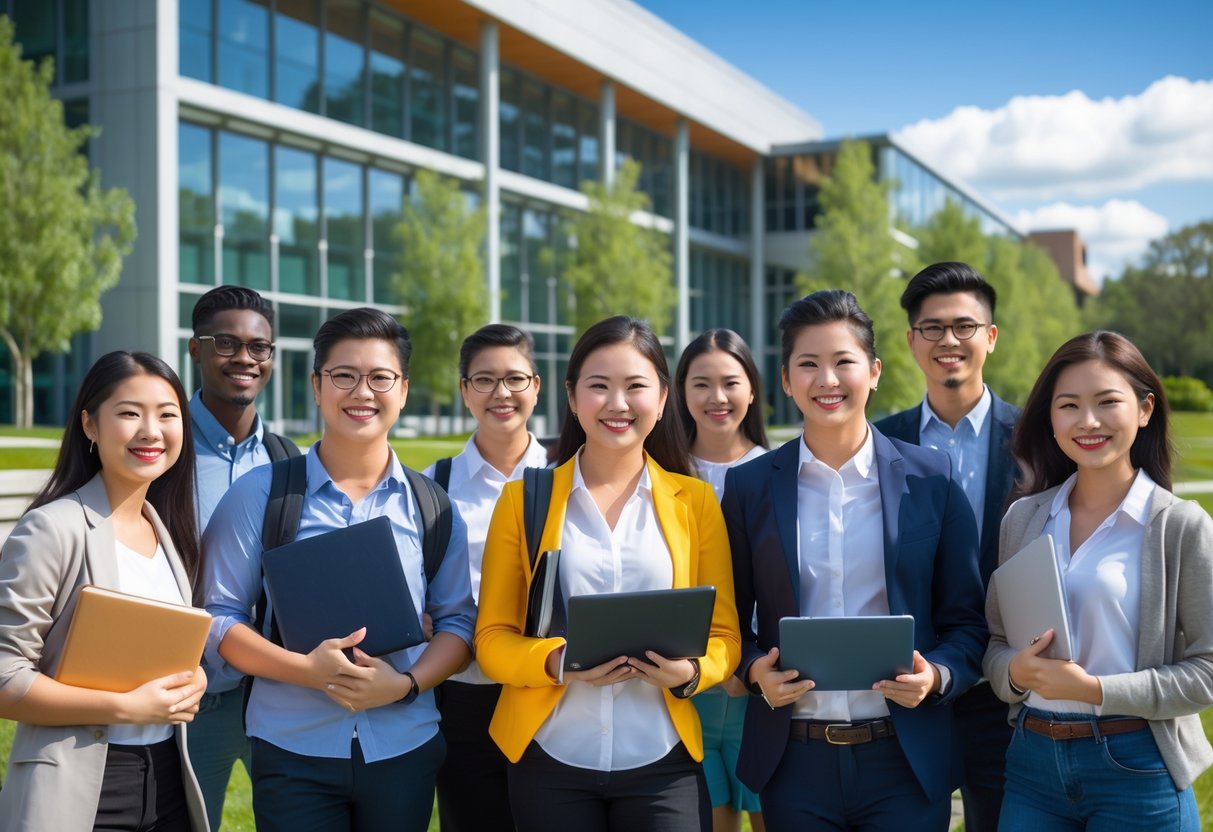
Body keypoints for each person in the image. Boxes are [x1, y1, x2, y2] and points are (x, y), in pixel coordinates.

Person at [200, 308, 476, 832]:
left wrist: (405, 685)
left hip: (404, 746)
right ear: (316, 385)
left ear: (403, 388)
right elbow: (218, 618)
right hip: (291, 748)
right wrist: (304, 671)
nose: (362, 393)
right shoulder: (261, 495)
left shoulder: (433, 506)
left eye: (380, 378)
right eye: (344, 376)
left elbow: (459, 624)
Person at [722, 290, 987, 831]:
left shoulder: (931, 479)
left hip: (904, 760)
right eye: (808, 365)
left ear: (874, 371)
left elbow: (968, 622)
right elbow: (727, 620)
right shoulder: (749, 487)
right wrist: (753, 671)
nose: (827, 380)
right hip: (794, 761)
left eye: (843, 361)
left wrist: (936, 675)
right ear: (787, 380)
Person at [475, 315, 741, 832]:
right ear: (573, 398)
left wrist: (689, 674)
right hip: (549, 753)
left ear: (662, 398)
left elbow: (725, 636)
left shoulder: (697, 503)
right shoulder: (522, 502)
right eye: (599, 386)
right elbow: (491, 639)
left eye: (635, 386)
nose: (618, 404)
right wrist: (557, 661)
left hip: (662, 757)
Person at [984, 331, 1213, 831]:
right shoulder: (1022, 519)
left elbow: (1207, 672)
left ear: (1145, 409)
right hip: (1032, 765)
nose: (1087, 421)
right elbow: (997, 645)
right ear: (1051, 416)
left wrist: (1096, 690)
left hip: (1136, 765)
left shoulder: (1181, 526)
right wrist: (1018, 673)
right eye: (1068, 405)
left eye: (1107, 402)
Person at [0, 351, 209, 831]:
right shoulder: (52, 529)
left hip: (166, 778)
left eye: (167, 414)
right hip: (78, 782)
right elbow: (5, 676)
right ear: (90, 425)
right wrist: (125, 707)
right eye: (130, 412)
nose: (151, 431)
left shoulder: (167, 531)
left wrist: (191, 678)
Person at [874, 261, 1019, 832]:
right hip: (908, 684)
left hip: (1007, 691)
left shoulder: (1038, 438)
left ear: (990, 336)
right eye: (931, 328)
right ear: (911, 341)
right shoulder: (879, 442)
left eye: (964, 325)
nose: (948, 341)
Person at [425, 324, 550, 832]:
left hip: (550, 688)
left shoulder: (570, 474)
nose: (502, 393)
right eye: (485, 380)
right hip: (464, 693)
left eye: (515, 379)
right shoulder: (434, 484)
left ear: (536, 386)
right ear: (464, 390)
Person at [188, 284, 299, 831]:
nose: (245, 359)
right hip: (182, 700)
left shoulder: (288, 460)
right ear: (196, 350)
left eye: (259, 347)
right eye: (226, 343)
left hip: (270, 695)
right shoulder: (161, 447)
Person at [674, 329, 768, 832]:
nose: (716, 398)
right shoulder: (661, 472)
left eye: (730, 382)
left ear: (752, 389)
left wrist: (743, 664)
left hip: (759, 692)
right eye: (700, 384)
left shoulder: (778, 472)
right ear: (679, 391)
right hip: (683, 688)